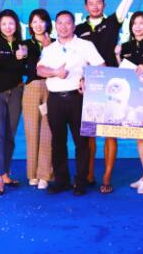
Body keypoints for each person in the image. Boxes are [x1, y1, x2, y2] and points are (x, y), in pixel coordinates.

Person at [75, 0, 139, 193]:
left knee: (110, 134)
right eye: (91, 3)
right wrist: (80, 79)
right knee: (89, 135)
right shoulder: (78, 29)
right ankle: (89, 174)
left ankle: (107, 178)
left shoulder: (113, 22)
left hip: (112, 83)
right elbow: (77, 58)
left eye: (98, 2)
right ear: (85, 6)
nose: (95, 6)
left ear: (104, 4)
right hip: (89, 86)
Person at [37, 10, 105, 196]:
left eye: (67, 23)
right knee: (58, 142)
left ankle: (81, 181)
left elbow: (101, 68)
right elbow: (40, 70)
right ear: (55, 26)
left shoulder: (85, 45)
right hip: (55, 99)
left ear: (74, 26)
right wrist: (55, 72)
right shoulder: (49, 48)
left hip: (78, 98)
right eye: (60, 23)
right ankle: (62, 181)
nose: (63, 27)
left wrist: (88, 79)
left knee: (81, 142)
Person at [114, 11, 143, 194]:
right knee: (140, 137)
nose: (138, 27)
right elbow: (120, 72)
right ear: (130, 26)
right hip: (132, 96)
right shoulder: (125, 46)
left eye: (141, 23)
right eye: (135, 23)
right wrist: (118, 56)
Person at [0, 9, 26, 195]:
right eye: (3, 24)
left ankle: (5, 172)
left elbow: (26, 67)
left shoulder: (22, 45)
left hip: (16, 92)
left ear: (16, 25)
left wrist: (24, 56)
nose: (8, 27)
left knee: (10, 134)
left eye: (11, 23)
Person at [21, 9, 54, 190]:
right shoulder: (25, 44)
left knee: (48, 133)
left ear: (48, 23)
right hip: (32, 88)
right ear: (30, 25)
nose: (38, 25)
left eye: (41, 21)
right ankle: (32, 174)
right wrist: (22, 54)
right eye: (34, 21)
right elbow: (22, 62)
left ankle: (45, 175)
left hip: (52, 88)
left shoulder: (56, 43)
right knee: (32, 131)